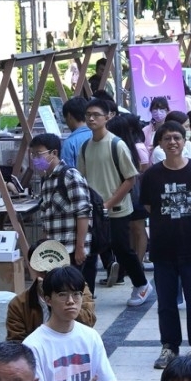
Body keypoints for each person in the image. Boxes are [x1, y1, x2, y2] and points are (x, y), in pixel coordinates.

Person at [136, 124, 191, 367]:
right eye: (167, 138)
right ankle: (169, 347)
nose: (172, 142)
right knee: (167, 302)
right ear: (159, 143)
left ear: (185, 141)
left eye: (177, 138)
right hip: (163, 249)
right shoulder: (151, 176)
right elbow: (151, 208)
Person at [78, 99, 149, 304]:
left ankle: (141, 284)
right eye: (88, 114)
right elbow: (82, 178)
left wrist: (108, 203)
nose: (91, 118)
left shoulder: (117, 144)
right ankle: (86, 297)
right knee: (90, 253)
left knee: (121, 248)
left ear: (108, 117)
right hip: (93, 209)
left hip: (117, 208)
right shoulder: (85, 147)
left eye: (96, 115)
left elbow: (130, 178)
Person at [19, 132, 92, 276]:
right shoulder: (46, 180)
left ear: (54, 153)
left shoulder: (70, 176)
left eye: (38, 154)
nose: (35, 159)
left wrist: (80, 247)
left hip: (71, 250)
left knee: (75, 292)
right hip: (55, 252)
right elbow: (47, 217)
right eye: (32, 154)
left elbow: (83, 213)